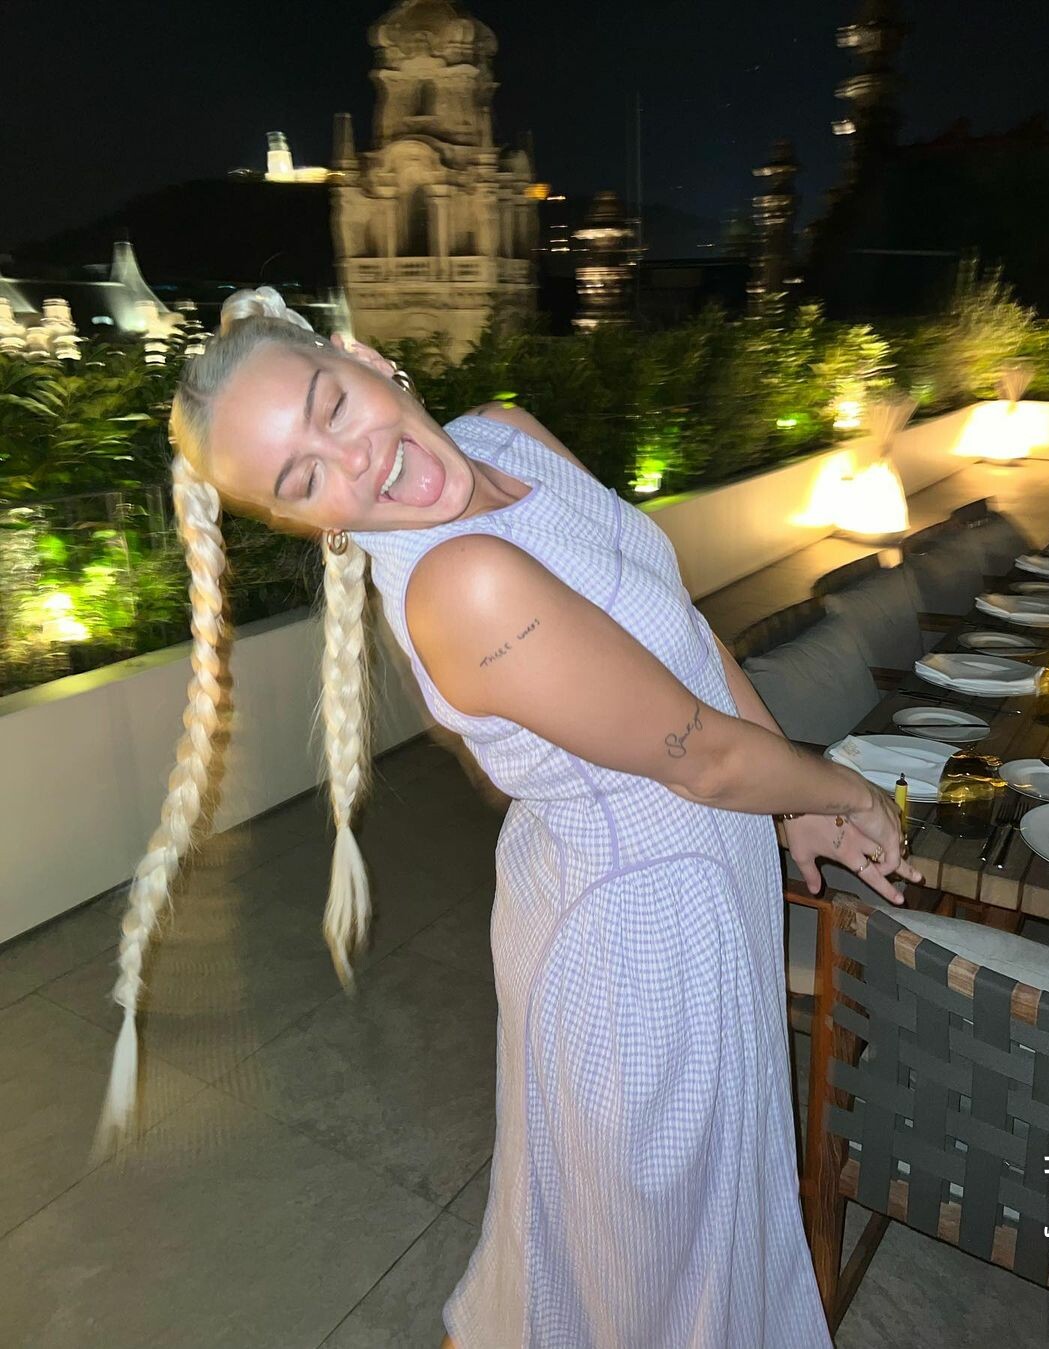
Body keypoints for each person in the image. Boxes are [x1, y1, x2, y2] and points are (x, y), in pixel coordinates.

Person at [95, 286, 920, 1348]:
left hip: (692, 878)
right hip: (638, 939)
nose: (357, 462)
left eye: (331, 407)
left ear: (364, 359)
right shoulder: (463, 584)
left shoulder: (503, 430)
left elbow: (673, 628)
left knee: (660, 1231)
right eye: (304, 478)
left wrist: (791, 805)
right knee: (654, 1271)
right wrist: (840, 787)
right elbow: (704, 759)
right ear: (308, 522)